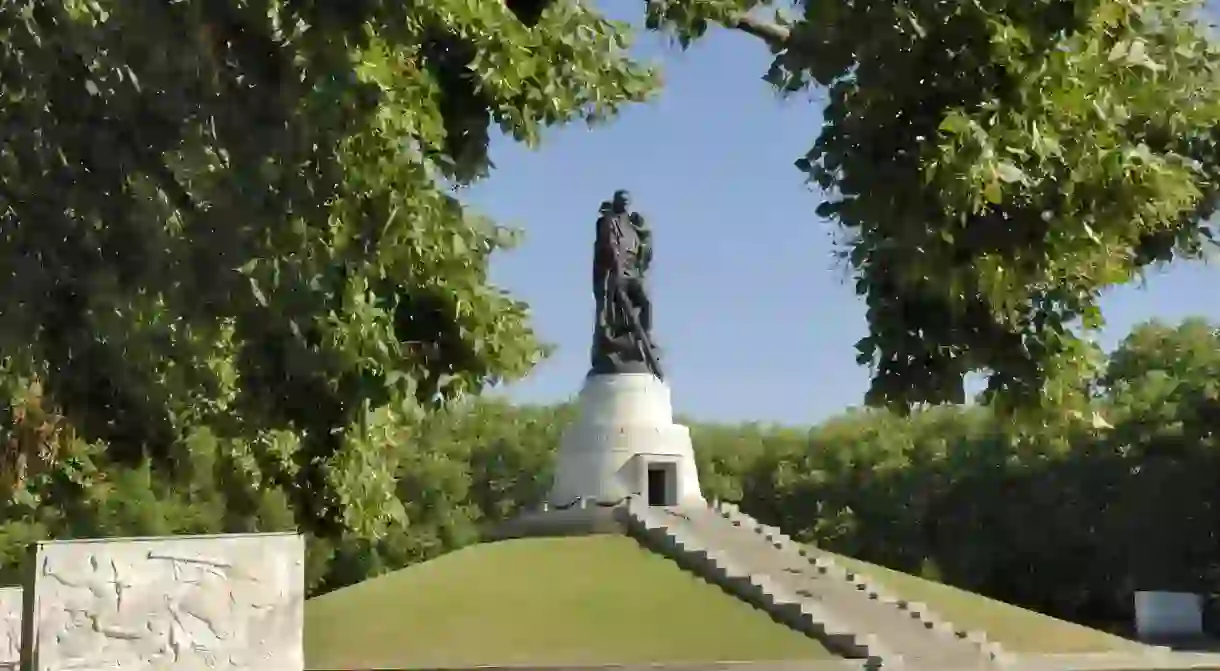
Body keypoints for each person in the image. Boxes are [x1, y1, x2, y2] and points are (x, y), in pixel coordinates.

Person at [591, 189, 661, 378]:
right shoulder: (607, 222)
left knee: (645, 303)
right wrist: (613, 266)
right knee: (615, 309)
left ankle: (645, 337)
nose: (624, 204)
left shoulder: (633, 226)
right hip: (615, 273)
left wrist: (645, 232)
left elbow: (645, 252)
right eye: (621, 201)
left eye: (626, 201)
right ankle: (614, 343)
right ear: (616, 202)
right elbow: (606, 246)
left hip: (631, 273)